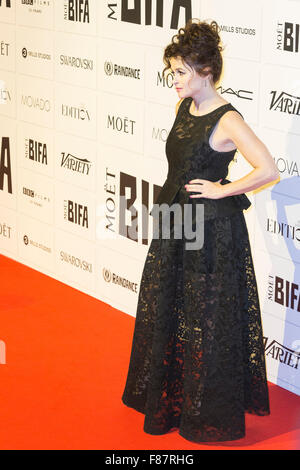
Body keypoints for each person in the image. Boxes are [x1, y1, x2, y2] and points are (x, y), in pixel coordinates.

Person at [121, 18, 279, 443]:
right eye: (172, 72)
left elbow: (268, 169)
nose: (173, 80)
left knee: (207, 319)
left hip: (211, 233)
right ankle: (171, 400)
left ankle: (207, 411)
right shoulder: (183, 107)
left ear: (204, 71)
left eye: (180, 72)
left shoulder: (228, 119)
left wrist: (223, 188)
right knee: (170, 308)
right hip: (175, 223)